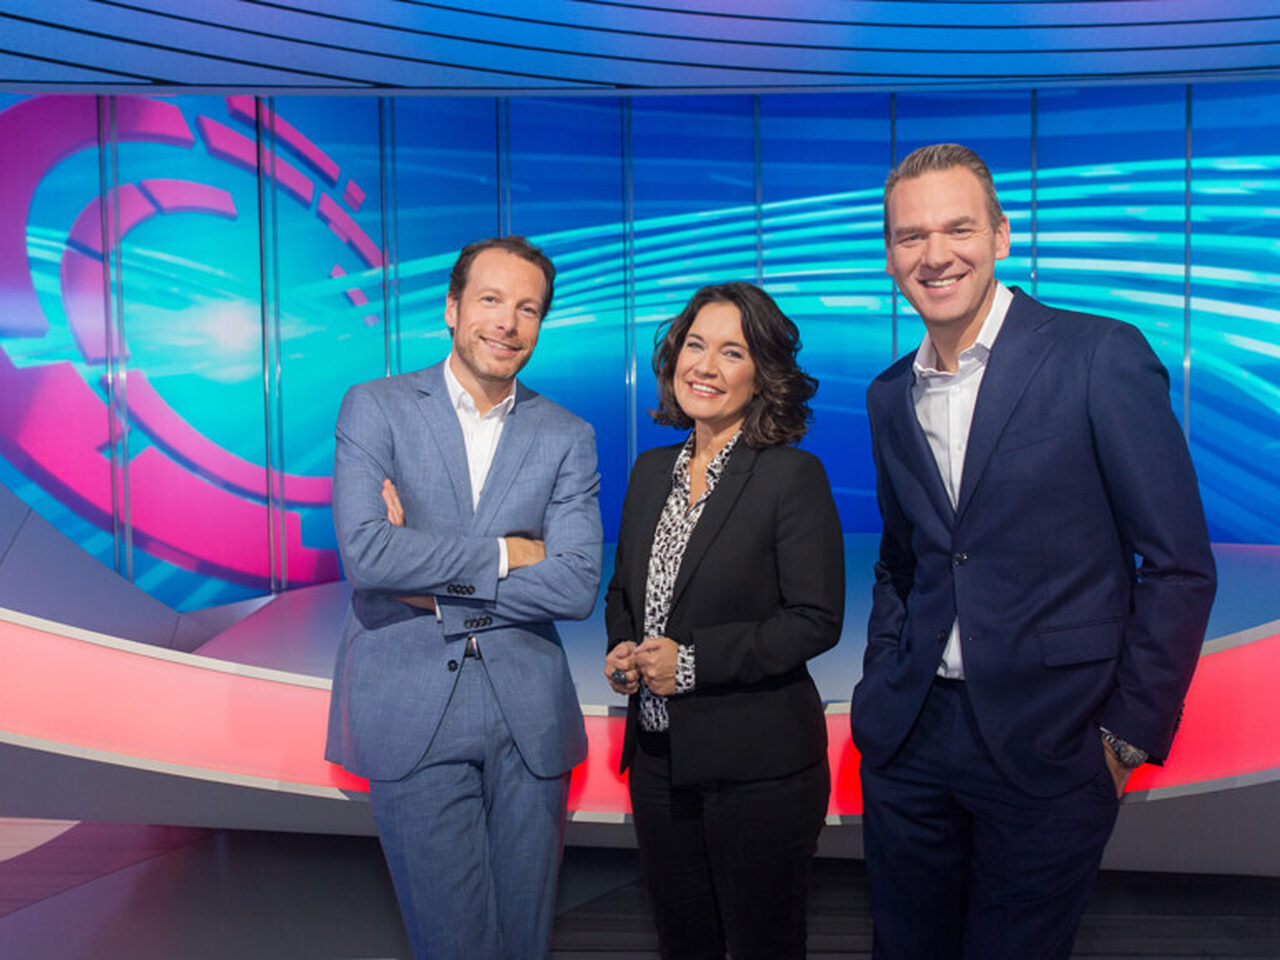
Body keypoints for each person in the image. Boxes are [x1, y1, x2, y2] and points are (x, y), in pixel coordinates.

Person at [850, 143, 1217, 960]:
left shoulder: (1098, 355)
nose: (935, 254)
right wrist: (882, 683)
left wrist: (1124, 737)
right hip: (911, 737)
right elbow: (903, 561)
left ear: (1002, 235)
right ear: (890, 254)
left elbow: (1179, 563)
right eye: (911, 236)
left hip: (1055, 741)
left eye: (958, 229)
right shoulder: (888, 395)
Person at [325, 235, 603, 960]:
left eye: (528, 309)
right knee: (455, 945)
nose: (507, 322)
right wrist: (509, 554)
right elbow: (369, 554)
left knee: (524, 943)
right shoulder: (375, 408)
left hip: (529, 713)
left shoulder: (567, 435)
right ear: (452, 308)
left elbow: (576, 584)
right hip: (411, 704)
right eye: (490, 300)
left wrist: (427, 582)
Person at [604, 282, 844, 960]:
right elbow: (623, 592)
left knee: (765, 946)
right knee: (683, 945)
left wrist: (689, 663)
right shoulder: (650, 471)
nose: (705, 366)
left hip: (758, 769)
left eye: (731, 352)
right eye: (695, 345)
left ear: (762, 373)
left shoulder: (791, 476)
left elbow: (815, 619)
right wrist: (623, 647)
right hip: (658, 764)